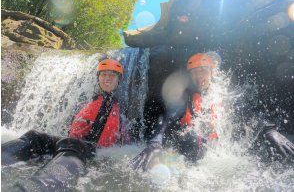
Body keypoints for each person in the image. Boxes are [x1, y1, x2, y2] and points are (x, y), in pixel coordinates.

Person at [131, 53, 294, 171]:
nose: (199, 75)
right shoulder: (185, 98)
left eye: (203, 70)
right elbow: (164, 120)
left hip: (215, 150)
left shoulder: (222, 94)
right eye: (194, 72)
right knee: (192, 138)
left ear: (212, 72)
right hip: (188, 149)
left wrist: (269, 129)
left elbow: (247, 112)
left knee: (265, 141)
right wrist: (155, 143)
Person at [2, 58, 131, 191]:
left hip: (87, 151)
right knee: (35, 136)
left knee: (73, 145)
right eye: (104, 74)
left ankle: (34, 188)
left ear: (118, 80)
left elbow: (112, 142)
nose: (107, 78)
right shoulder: (94, 100)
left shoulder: (116, 107)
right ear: (98, 78)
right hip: (71, 145)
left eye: (112, 75)